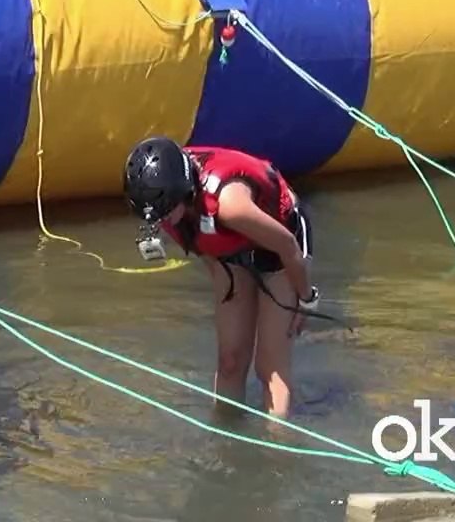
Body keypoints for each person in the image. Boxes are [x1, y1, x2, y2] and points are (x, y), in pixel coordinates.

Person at [123, 136, 319, 420]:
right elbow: (205, 246)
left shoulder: (229, 204)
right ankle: (225, 441)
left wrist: (307, 299)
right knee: (230, 360)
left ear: (182, 192)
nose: (157, 223)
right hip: (229, 251)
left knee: (269, 366)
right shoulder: (170, 197)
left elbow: (288, 244)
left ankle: (279, 450)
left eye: (163, 213)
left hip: (278, 247)